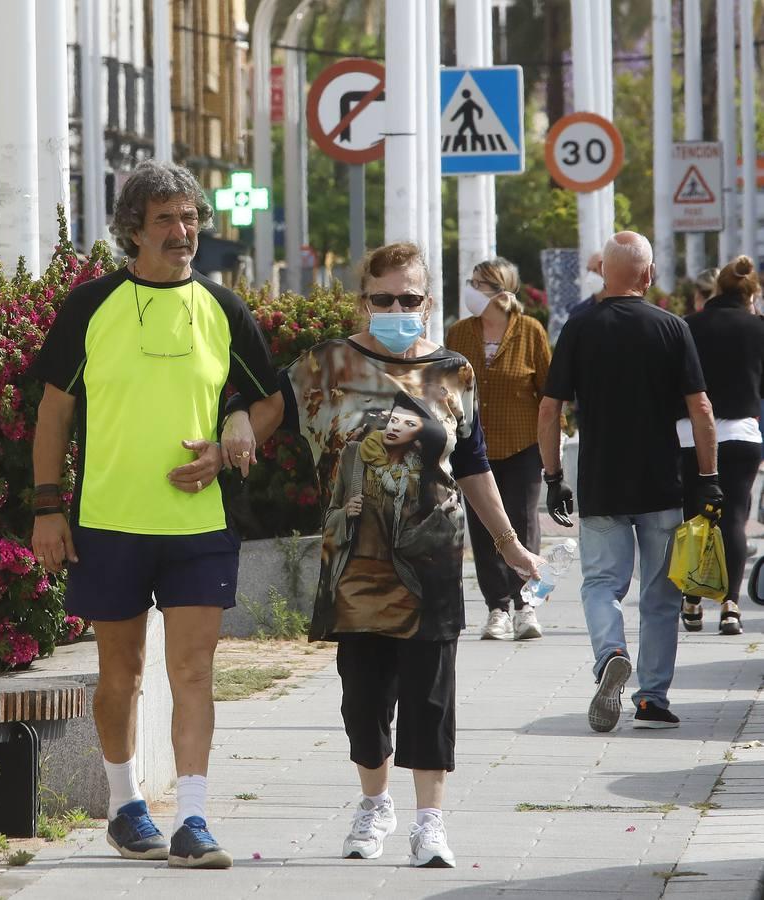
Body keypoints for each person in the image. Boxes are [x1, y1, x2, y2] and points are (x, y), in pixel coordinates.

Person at [221, 242, 540, 869]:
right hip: (355, 562)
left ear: (428, 302)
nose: (397, 308)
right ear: (363, 300)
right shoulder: (325, 366)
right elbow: (266, 405)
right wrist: (234, 419)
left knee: (431, 696)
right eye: (383, 298)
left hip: (434, 559)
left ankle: (430, 823)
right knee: (363, 701)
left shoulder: (454, 371)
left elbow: (472, 465)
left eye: (410, 299)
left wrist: (509, 545)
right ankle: (375, 804)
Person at [30, 159, 281, 870]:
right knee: (121, 676)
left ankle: (194, 819)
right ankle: (123, 805)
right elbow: (53, 411)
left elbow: (270, 400)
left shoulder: (223, 308)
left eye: (191, 218)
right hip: (109, 521)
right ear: (132, 231)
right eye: (167, 219)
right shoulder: (90, 305)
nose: (183, 231)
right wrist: (48, 508)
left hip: (200, 527)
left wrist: (236, 433)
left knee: (194, 672)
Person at [538, 231, 721, 733]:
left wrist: (553, 477)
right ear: (648, 274)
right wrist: (708, 477)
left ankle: (611, 654)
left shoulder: (579, 328)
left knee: (601, 584)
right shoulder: (672, 328)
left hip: (601, 482)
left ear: (603, 272)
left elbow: (550, 407)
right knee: (661, 594)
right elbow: (700, 407)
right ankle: (652, 699)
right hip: (663, 483)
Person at [447, 258, 551, 641]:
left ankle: (527, 605)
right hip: (472, 446)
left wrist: (552, 441)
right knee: (484, 525)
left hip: (522, 444)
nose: (470, 289)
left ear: (499, 290)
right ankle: (497, 608)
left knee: (523, 522)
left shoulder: (530, 331)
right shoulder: (459, 333)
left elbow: (548, 389)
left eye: (478, 283)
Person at [680, 256, 764, 636]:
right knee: (733, 518)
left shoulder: (688, 326)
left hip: (691, 435)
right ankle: (730, 605)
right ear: (752, 294)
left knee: (696, 518)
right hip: (742, 434)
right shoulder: (757, 328)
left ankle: (692, 599)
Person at [565, 251, 605, 320]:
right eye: (588, 270)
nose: (590, 275)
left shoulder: (622, 308)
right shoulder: (578, 312)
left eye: (595, 270)